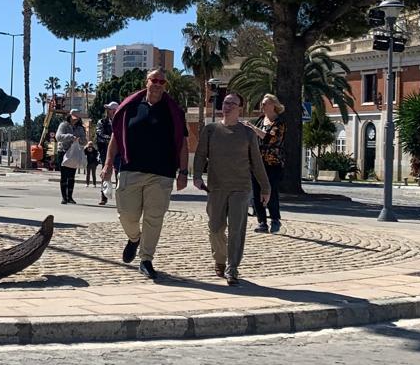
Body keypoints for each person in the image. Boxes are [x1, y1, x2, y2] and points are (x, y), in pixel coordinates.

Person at [100, 71, 189, 280]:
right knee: (126, 214)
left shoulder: (173, 111)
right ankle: (134, 238)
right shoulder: (130, 107)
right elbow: (115, 136)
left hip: (162, 173)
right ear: (146, 82)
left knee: (154, 218)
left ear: (165, 85)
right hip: (130, 169)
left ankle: (146, 259)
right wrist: (107, 164)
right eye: (154, 80)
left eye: (161, 81)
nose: (157, 84)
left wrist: (183, 172)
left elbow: (183, 143)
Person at [193, 91, 271, 285]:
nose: (227, 106)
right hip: (216, 188)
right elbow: (201, 155)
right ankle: (220, 258)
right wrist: (196, 176)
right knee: (215, 228)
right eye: (225, 103)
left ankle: (232, 268)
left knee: (237, 229)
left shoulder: (247, 133)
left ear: (240, 109)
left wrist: (265, 187)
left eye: (232, 104)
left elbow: (256, 162)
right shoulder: (210, 130)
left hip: (241, 188)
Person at [252, 93, 286, 234]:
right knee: (256, 192)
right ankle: (262, 222)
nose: (263, 106)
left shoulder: (280, 123)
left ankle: (275, 219)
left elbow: (271, 139)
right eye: (262, 103)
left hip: (273, 163)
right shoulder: (260, 120)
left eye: (265, 103)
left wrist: (253, 129)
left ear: (273, 105)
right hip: (257, 163)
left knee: (271, 191)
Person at [55, 109, 87, 203]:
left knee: (72, 176)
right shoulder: (63, 125)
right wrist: (70, 136)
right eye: (74, 118)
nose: (75, 120)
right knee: (64, 175)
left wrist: (80, 140)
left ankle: (70, 197)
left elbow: (84, 141)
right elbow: (58, 137)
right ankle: (64, 197)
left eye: (77, 118)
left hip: (74, 153)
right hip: (64, 152)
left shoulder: (80, 128)